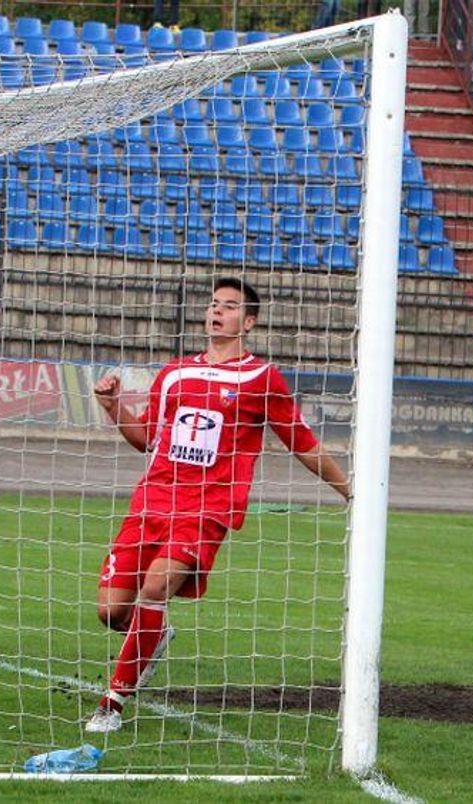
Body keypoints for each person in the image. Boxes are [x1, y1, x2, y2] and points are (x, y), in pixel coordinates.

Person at [84, 278, 351, 732]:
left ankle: (112, 703)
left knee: (155, 589)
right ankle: (154, 634)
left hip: (206, 509)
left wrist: (349, 489)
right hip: (152, 500)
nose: (216, 311)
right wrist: (113, 406)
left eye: (229, 306)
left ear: (247, 322)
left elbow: (300, 441)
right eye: (213, 304)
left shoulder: (261, 379)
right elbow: (148, 439)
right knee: (112, 611)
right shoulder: (174, 374)